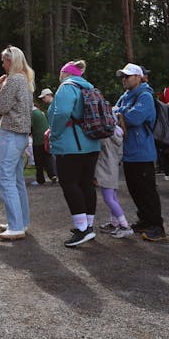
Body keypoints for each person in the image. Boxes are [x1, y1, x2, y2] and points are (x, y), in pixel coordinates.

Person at [47, 60, 103, 247]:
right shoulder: (89, 88)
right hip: (92, 144)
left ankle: (81, 229)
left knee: (69, 184)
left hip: (71, 146)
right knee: (86, 184)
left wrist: (54, 133)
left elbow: (61, 113)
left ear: (65, 73)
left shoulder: (66, 87)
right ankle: (88, 225)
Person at [114, 62, 165, 242]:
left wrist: (120, 114)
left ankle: (157, 226)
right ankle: (145, 220)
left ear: (138, 77)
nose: (124, 79)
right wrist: (120, 113)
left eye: (127, 76)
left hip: (142, 151)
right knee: (135, 189)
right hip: (129, 152)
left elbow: (134, 118)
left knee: (147, 190)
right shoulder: (126, 96)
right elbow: (114, 113)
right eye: (123, 76)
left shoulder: (145, 96)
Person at [0, 46, 35, 241]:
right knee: (17, 181)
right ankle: (20, 222)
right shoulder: (25, 80)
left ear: (11, 61)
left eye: (4, 61)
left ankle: (16, 226)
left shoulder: (14, 79)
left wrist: (1, 87)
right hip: (22, 136)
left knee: (6, 179)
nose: (3, 65)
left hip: (11, 135)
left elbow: (0, 106)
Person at [30, 94, 55, 186]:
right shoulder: (40, 112)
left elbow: (30, 128)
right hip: (46, 139)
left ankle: (40, 180)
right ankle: (53, 175)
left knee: (38, 161)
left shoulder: (31, 114)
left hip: (38, 140)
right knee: (47, 159)